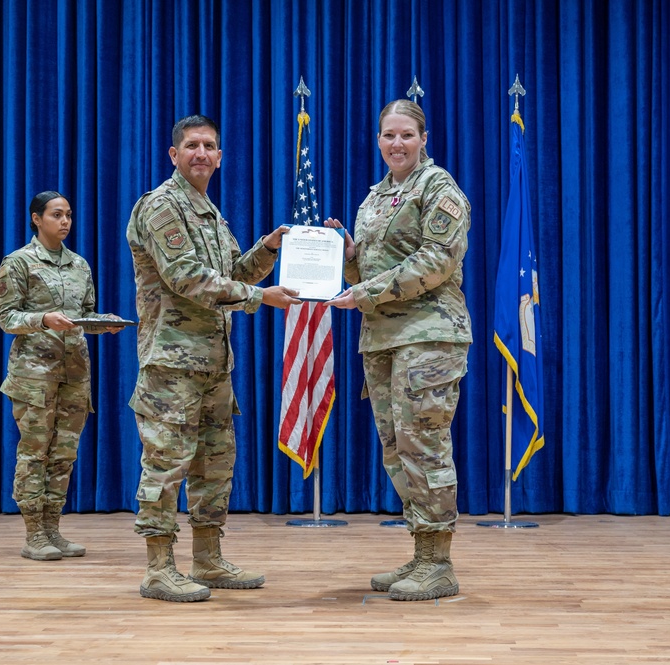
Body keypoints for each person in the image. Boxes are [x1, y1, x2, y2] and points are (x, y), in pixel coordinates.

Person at [126, 114, 299, 602]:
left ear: (220, 157)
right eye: (192, 145)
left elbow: (231, 271)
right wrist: (258, 297)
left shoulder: (208, 211)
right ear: (174, 154)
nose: (201, 153)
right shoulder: (161, 207)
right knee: (166, 465)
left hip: (212, 364)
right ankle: (159, 568)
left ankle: (207, 560)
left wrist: (268, 249)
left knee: (214, 465)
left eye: (210, 146)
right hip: (171, 364)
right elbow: (187, 278)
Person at [324, 100, 472, 601]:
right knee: (397, 450)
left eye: (406, 135)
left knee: (425, 447)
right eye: (388, 135)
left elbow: (435, 261)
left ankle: (440, 562)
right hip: (384, 338)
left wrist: (363, 291)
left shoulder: (439, 189)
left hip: (429, 337)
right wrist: (347, 257)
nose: (397, 144)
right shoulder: (376, 197)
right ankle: (422, 552)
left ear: (423, 137)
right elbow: (366, 273)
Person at [0, 191, 122, 561]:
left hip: (75, 373)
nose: (64, 221)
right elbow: (7, 319)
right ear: (36, 219)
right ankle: (34, 533)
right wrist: (42, 319)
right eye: (56, 215)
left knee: (64, 454)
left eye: (68, 215)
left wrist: (105, 323)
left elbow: (84, 313)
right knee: (36, 453)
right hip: (34, 375)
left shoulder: (80, 265)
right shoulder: (19, 262)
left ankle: (54, 528)